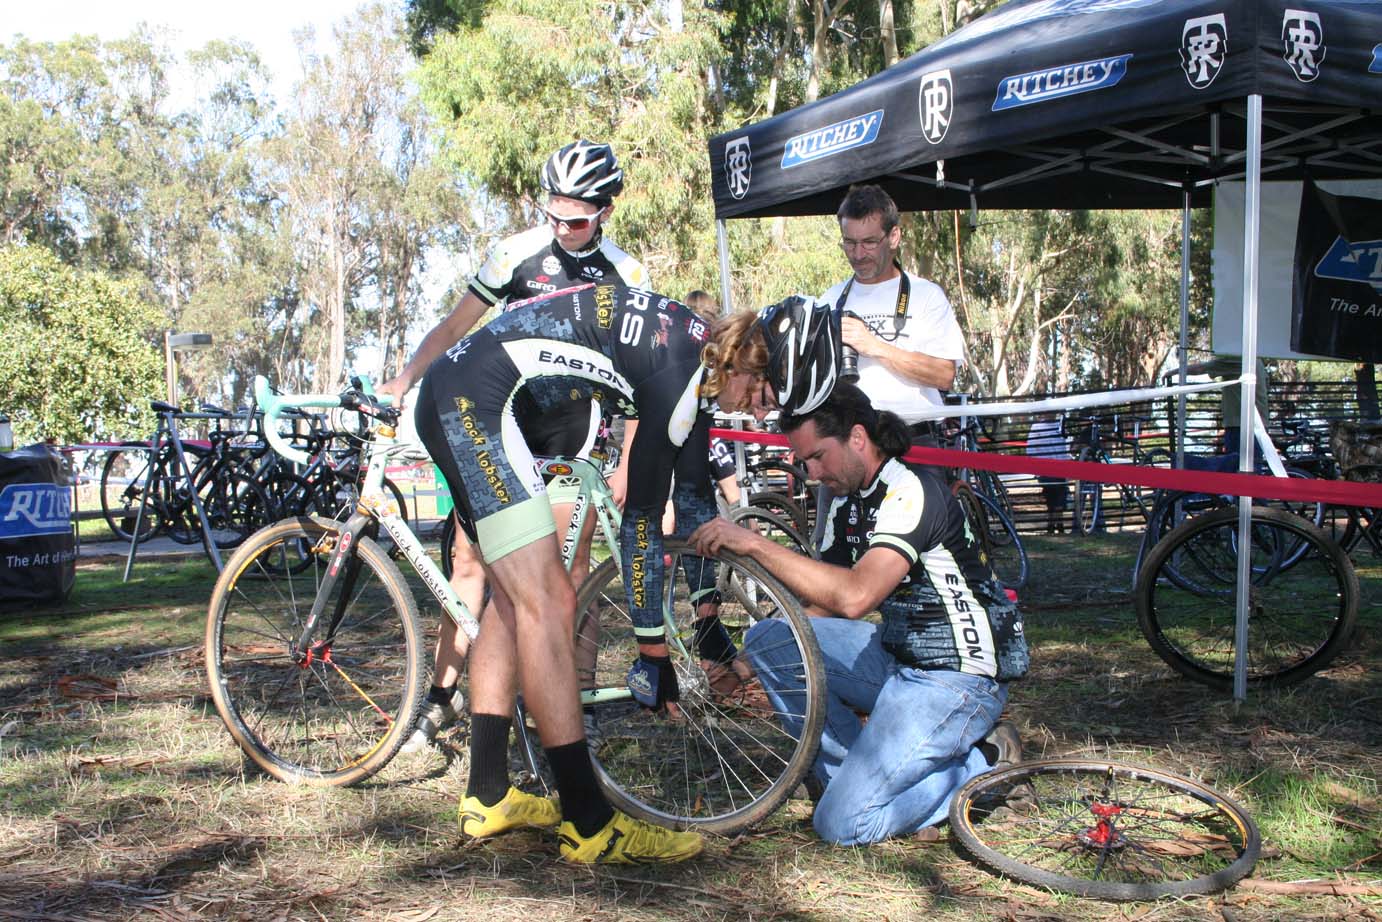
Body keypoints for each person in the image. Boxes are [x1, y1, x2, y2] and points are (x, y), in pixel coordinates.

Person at [413, 284, 840, 863]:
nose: (760, 414)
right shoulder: (677, 376)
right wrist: (653, 651)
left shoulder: (695, 356)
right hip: (473, 404)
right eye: (766, 397)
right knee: (549, 601)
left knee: (516, 601)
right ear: (750, 362)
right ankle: (589, 824)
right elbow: (642, 522)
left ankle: (488, 793)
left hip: (469, 395)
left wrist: (705, 618)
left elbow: (691, 502)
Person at [378, 140, 649, 750]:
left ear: (607, 211)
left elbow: (636, 373)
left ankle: (573, 706)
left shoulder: (627, 274)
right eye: (553, 212)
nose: (562, 227)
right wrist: (406, 378)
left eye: (577, 218)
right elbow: (455, 325)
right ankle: (443, 697)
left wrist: (628, 460)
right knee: (471, 564)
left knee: (567, 575)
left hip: (574, 429)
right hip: (502, 422)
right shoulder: (515, 254)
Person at [689, 382, 1027, 847]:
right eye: (803, 462)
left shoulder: (911, 491)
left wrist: (752, 543)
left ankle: (985, 763)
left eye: (817, 457)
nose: (811, 473)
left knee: (842, 825)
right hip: (900, 664)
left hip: (960, 679)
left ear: (858, 438)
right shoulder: (846, 501)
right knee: (771, 636)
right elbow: (823, 604)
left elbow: (854, 598)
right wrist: (741, 668)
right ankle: (860, 780)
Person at [814, 184, 966, 541]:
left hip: (913, 443)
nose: (858, 254)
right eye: (849, 243)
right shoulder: (830, 300)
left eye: (869, 242)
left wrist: (874, 346)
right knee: (834, 558)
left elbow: (944, 374)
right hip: (847, 448)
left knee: (928, 554)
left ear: (894, 236)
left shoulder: (927, 296)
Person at [1025, 412, 1072, 534]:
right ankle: (1055, 525)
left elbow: (1030, 449)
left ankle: (1054, 525)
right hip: (1050, 468)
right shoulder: (1042, 427)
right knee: (1056, 498)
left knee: (1055, 498)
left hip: (1054, 468)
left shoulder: (1058, 426)